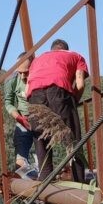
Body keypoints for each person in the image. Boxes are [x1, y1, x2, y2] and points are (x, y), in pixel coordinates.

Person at [25, 39, 88, 183]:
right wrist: (72, 103)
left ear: (52, 49)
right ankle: (80, 184)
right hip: (59, 92)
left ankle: (45, 183)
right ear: (65, 49)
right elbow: (80, 83)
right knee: (73, 141)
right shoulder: (76, 56)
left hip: (34, 97)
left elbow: (27, 90)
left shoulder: (38, 59)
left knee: (41, 141)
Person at [3, 51, 36, 175]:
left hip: (40, 120)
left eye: (26, 72)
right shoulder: (11, 80)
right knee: (20, 160)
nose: (22, 76)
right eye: (19, 72)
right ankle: (25, 187)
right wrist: (19, 118)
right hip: (22, 120)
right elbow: (8, 103)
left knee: (43, 158)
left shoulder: (40, 76)